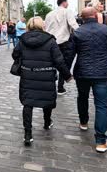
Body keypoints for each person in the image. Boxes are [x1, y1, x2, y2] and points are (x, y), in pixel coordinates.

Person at [12, 17, 72, 146]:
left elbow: (15, 54)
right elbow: (59, 61)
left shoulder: (22, 40)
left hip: (28, 75)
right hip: (46, 75)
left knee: (27, 103)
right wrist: (67, 76)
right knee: (47, 100)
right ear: (42, 25)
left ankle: (28, 134)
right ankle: (47, 122)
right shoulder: (50, 41)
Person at [72, 7, 107, 153]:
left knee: (82, 97)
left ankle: (83, 122)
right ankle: (101, 141)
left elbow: (69, 54)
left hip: (82, 72)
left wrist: (65, 73)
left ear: (82, 18)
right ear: (95, 15)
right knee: (101, 105)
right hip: (103, 73)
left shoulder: (77, 32)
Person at [45, 0, 79, 95]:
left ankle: (50, 85)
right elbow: (73, 24)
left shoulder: (49, 14)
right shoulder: (67, 11)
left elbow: (46, 28)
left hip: (51, 42)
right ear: (64, 2)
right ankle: (60, 87)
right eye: (67, 2)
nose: (68, 4)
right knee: (64, 64)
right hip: (64, 42)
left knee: (52, 64)